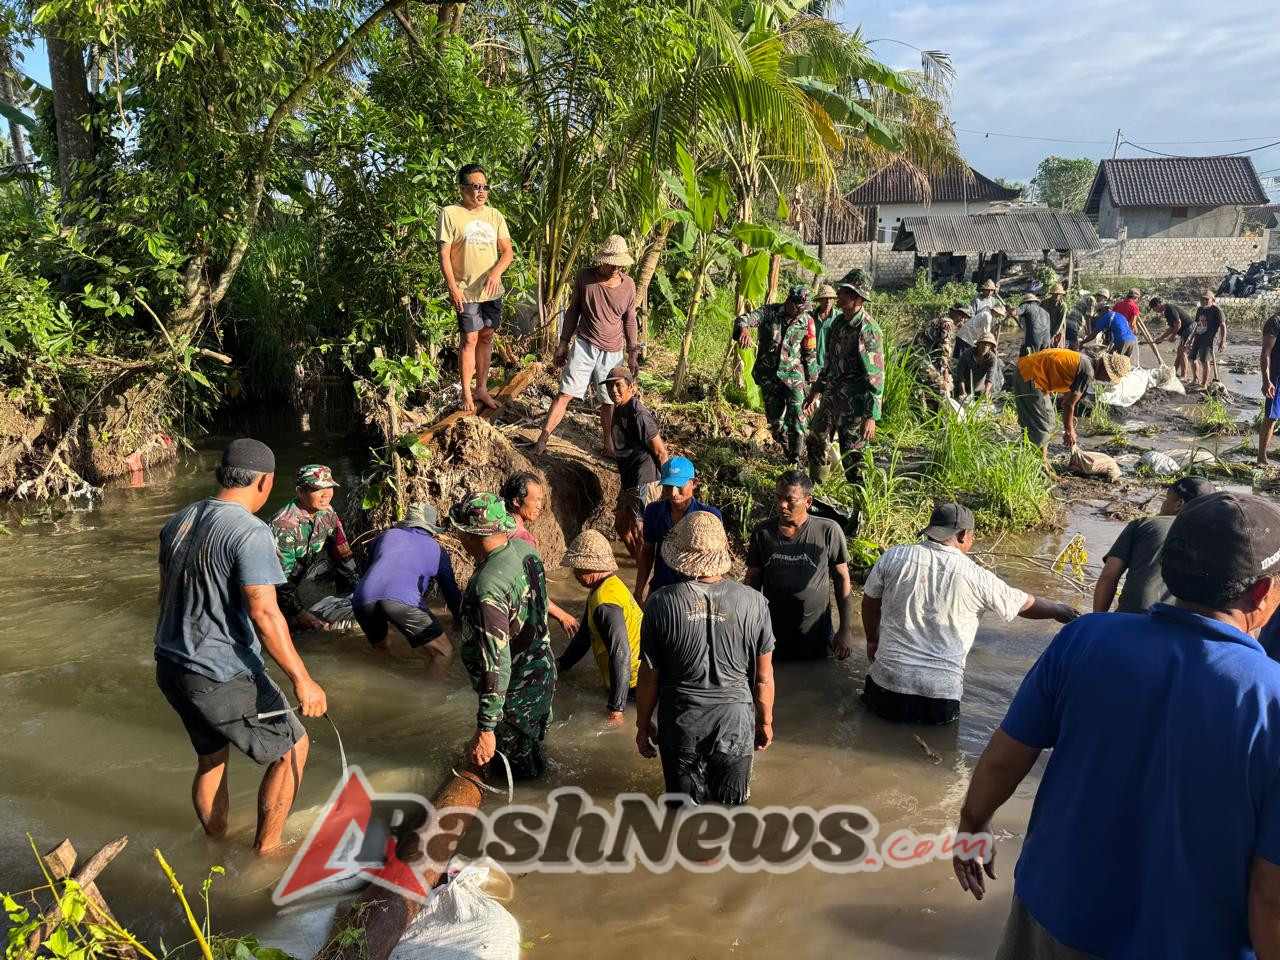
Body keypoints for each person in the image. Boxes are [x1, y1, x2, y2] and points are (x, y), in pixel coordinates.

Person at [953, 492, 1280, 959]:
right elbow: (1270, 901)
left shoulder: (1083, 640)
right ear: (1263, 592)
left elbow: (1004, 761)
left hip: (1052, 918)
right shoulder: (1270, 698)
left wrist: (972, 825)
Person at [154, 439, 327, 854]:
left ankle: (214, 848)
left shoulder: (178, 520)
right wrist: (303, 680)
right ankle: (268, 851)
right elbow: (265, 614)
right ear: (264, 482)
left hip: (171, 664)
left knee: (211, 759)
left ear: (222, 474)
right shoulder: (251, 531)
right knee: (292, 748)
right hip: (219, 672)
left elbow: (164, 596)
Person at [861, 502, 1077, 725]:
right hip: (939, 694)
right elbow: (1024, 604)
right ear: (963, 535)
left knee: (872, 732)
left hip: (886, 682)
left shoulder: (894, 557)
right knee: (937, 746)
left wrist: (872, 641)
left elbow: (869, 604)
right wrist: (1058, 610)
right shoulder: (977, 576)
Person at [635, 512, 775, 805]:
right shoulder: (755, 602)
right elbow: (763, 677)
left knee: (683, 814)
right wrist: (765, 722)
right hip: (734, 725)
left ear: (679, 555)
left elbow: (648, 678)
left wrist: (642, 724)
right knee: (732, 811)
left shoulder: (660, 602)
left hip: (681, 725)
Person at [450, 492, 555, 780]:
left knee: (515, 780)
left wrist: (486, 727)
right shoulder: (525, 550)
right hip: (541, 677)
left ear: (469, 535)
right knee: (533, 762)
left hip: (514, 698)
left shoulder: (486, 586)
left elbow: (496, 662)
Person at [533, 235, 638, 456]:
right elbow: (573, 310)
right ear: (603, 260)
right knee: (565, 393)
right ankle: (543, 438)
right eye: (611, 264)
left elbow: (630, 320)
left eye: (619, 265)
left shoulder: (628, 285)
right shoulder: (585, 278)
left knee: (609, 401)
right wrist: (563, 343)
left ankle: (608, 445)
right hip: (585, 345)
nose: (615, 268)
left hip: (613, 352)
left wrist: (632, 353)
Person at [745, 470, 855, 661]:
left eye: (790, 499)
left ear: (808, 501)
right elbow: (752, 581)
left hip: (817, 636)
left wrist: (845, 630)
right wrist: (748, 626)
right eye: (778, 497)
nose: (782, 504)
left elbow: (842, 579)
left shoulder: (828, 530)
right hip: (772, 635)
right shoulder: (763, 533)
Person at [439, 163, 513, 414]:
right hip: (465, 290)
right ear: (462, 188)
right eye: (476, 186)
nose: (481, 191)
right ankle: (466, 393)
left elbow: (507, 252)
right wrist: (452, 288)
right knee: (469, 339)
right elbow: (444, 254)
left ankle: (482, 388)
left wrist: (496, 272)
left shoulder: (494, 215)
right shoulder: (450, 213)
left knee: (487, 336)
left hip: (491, 290)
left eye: (485, 186)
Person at [804, 272, 885, 485]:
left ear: (857, 298)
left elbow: (875, 377)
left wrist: (871, 416)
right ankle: (817, 487)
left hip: (854, 404)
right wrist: (816, 390)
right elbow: (829, 362)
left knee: (853, 455)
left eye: (844, 292)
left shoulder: (867, 330)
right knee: (815, 439)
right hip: (831, 396)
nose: (838, 295)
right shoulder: (838, 323)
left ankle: (860, 498)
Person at [1092, 476, 1215, 614]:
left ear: (1179, 504)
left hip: (1132, 615)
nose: (1163, 504)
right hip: (1178, 621)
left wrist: (1097, 618)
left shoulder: (1143, 525)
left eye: (1166, 499)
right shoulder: (1213, 540)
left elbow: (1109, 576)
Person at [556, 530, 642, 726]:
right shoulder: (606, 586)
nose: (574, 574)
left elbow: (620, 654)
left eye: (577, 568)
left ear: (591, 567)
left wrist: (616, 709)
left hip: (634, 685)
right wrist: (561, 664)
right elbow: (585, 635)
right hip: (634, 677)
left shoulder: (605, 602)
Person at [352, 503, 461, 657]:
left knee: (381, 648)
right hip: (401, 601)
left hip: (362, 599)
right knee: (444, 653)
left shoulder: (384, 536)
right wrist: (459, 620)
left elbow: (367, 572)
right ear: (430, 528)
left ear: (406, 522)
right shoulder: (438, 550)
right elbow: (450, 591)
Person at [268, 464, 358, 633]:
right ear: (300, 491)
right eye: (318, 489)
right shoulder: (284, 525)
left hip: (295, 580)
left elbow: (342, 555)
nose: (327, 494)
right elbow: (279, 580)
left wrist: (357, 593)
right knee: (292, 631)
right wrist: (301, 614)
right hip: (272, 591)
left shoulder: (328, 513)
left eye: (330, 487)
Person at [734, 284, 817, 463]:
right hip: (770, 377)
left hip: (794, 376)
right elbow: (743, 319)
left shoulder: (807, 321)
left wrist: (813, 388)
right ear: (789, 302)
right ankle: (788, 452)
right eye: (798, 308)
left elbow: (810, 354)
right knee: (776, 423)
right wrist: (744, 330)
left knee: (798, 417)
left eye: (803, 310)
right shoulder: (769, 312)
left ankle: (796, 459)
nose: (800, 313)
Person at [1010, 348, 1129, 468]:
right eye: (1109, 378)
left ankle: (1030, 458)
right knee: (1043, 424)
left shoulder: (1085, 361)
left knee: (1048, 420)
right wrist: (1069, 430)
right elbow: (1069, 404)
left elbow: (1067, 398)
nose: (1106, 380)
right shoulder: (1087, 372)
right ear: (1105, 371)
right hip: (1030, 377)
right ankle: (1041, 466)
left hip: (1028, 371)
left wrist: (1068, 427)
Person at [500, 472, 580, 638]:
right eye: (535, 500)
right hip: (514, 616)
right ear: (517, 501)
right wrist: (562, 615)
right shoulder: (523, 538)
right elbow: (533, 589)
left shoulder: (497, 525)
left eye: (541, 500)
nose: (539, 506)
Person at [634, 456, 722, 605]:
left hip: (696, 593)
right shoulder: (654, 511)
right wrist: (638, 592)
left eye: (679, 485)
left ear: (694, 483)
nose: (673, 492)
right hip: (660, 587)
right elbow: (647, 552)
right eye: (668, 486)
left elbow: (716, 561)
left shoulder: (709, 516)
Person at [603, 366, 668, 559]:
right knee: (622, 526)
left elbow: (661, 452)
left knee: (641, 531)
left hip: (645, 479)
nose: (613, 390)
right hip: (629, 479)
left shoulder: (638, 414)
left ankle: (645, 573)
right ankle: (640, 564)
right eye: (609, 386)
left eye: (618, 385)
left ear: (631, 387)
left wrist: (668, 486)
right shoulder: (618, 408)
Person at [912, 305, 960, 404]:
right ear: (953, 311)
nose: (962, 319)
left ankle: (922, 405)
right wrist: (945, 373)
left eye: (965, 317)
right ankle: (935, 410)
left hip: (914, 356)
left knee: (920, 385)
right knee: (942, 386)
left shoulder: (937, 320)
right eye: (961, 315)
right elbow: (944, 352)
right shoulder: (948, 324)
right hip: (921, 359)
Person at [1150, 295, 1195, 378]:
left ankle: (1183, 376)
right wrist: (1161, 338)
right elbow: (1171, 328)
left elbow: (1178, 323)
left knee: (1182, 351)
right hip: (1185, 330)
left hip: (1189, 328)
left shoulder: (1170, 308)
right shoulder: (1167, 311)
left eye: (1154, 308)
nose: (1154, 311)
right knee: (1179, 352)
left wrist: (1173, 335)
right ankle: (1174, 372)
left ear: (1158, 305)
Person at [1190, 289, 1227, 388]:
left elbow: (1223, 326)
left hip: (1209, 339)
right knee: (1192, 358)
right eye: (1202, 299)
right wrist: (1191, 338)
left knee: (1204, 360)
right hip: (1198, 337)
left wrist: (1222, 341)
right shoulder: (1200, 309)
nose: (1204, 301)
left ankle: (1204, 384)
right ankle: (1195, 379)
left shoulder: (1217, 311)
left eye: (1206, 299)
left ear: (1212, 300)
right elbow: (1197, 325)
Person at [954, 332, 1001, 400]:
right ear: (978, 344)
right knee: (960, 401)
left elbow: (990, 377)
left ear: (991, 347)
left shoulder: (992, 359)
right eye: (983, 343)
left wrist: (986, 392)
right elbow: (960, 375)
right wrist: (963, 392)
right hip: (965, 386)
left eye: (988, 345)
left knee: (981, 403)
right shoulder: (967, 355)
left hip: (979, 389)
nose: (985, 346)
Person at [1260, 308, 1280, 467]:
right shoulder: (1274, 322)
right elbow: (1266, 352)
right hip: (1277, 377)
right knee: (1271, 417)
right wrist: (1266, 380)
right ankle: (1262, 457)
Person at [810, 283, 839, 374]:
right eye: (825, 298)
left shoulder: (839, 317)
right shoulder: (810, 317)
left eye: (831, 298)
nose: (828, 302)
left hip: (831, 365)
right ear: (819, 300)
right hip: (812, 363)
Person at [1015, 292, 1050, 357]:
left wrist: (1008, 308)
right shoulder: (1046, 312)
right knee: (1041, 359)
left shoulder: (1026, 306)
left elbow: (1013, 312)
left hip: (1033, 340)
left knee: (1028, 357)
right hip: (1046, 341)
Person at [1042, 283, 1067, 348]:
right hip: (1046, 330)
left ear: (1061, 294)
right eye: (1054, 294)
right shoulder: (1044, 303)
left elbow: (1060, 323)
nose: (1056, 296)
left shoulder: (1063, 306)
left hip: (1058, 331)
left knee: (1057, 349)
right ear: (1051, 294)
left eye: (1058, 294)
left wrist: (1053, 335)